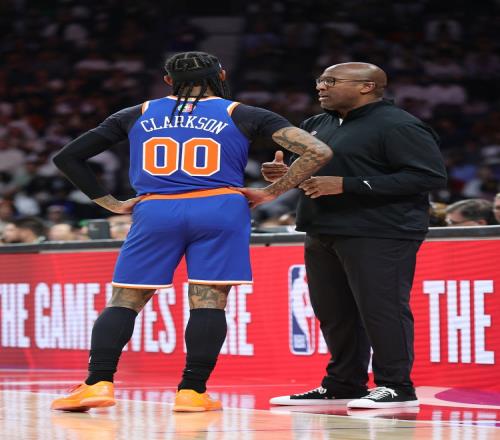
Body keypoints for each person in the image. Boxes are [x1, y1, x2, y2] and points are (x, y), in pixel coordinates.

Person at [50, 51, 332, 412]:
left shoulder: (136, 113)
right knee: (209, 300)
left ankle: (97, 383)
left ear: (168, 81)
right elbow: (317, 150)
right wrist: (271, 192)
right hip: (219, 207)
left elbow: (67, 157)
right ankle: (192, 391)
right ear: (221, 75)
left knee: (126, 299)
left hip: (156, 209)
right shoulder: (243, 113)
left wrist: (111, 203)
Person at [241, 62, 447, 409]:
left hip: (380, 229)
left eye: (331, 81)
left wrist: (349, 186)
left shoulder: (399, 125)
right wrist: (284, 173)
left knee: (381, 309)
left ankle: (397, 386)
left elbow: (428, 176)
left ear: (367, 86)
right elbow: (309, 173)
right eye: (320, 80)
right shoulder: (316, 124)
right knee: (334, 312)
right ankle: (343, 384)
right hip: (322, 227)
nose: (320, 87)